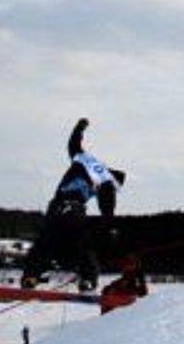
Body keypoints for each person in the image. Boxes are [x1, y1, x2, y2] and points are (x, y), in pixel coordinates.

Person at [22, 118, 125, 291]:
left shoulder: (87, 162)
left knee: (46, 239)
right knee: (83, 243)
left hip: (56, 206)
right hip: (74, 209)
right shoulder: (106, 181)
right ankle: (88, 279)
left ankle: (31, 276)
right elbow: (107, 207)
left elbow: (73, 145)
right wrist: (110, 226)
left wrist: (79, 128)